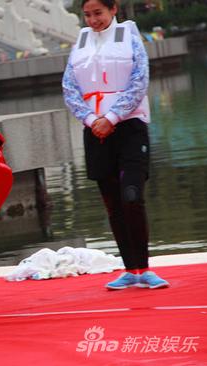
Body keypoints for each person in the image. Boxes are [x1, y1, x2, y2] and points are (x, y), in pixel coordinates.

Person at [62, 0, 169, 290]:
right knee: (113, 204)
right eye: (87, 15)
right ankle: (129, 269)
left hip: (129, 127)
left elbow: (139, 80)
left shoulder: (129, 37)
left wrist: (112, 116)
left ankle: (145, 268)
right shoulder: (81, 42)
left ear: (113, 9)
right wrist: (90, 118)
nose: (93, 20)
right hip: (95, 131)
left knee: (132, 196)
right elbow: (69, 87)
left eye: (98, 13)